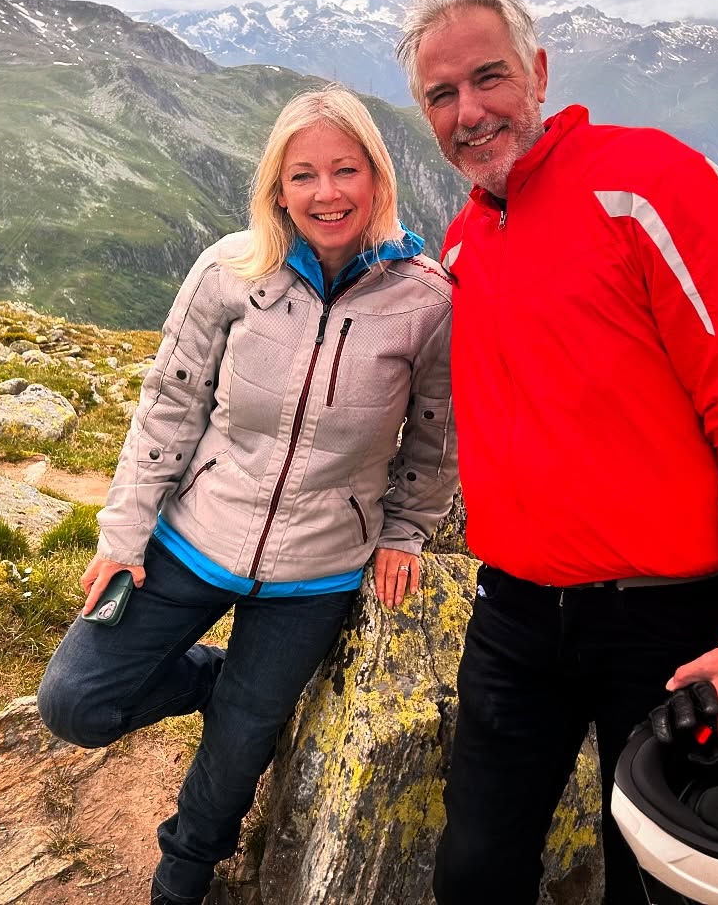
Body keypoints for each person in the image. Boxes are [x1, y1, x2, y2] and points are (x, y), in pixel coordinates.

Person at [395, 0, 718, 904]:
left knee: (660, 880)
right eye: (442, 94)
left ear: (539, 74)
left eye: (489, 78)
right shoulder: (463, 247)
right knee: (473, 873)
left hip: (667, 624)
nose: (469, 112)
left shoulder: (649, 185)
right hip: (513, 617)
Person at [36, 86, 458, 905]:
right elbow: (170, 402)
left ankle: (182, 879)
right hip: (190, 538)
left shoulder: (426, 300)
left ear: (377, 177)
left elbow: (437, 437)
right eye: (304, 175)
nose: (326, 193)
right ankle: (213, 683)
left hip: (319, 571)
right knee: (74, 702)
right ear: (278, 187)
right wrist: (124, 531)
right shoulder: (231, 270)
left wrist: (405, 531)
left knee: (239, 750)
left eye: (345, 170)